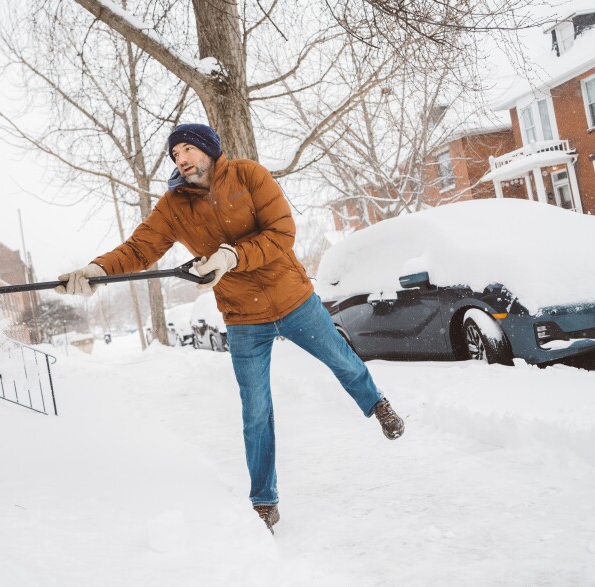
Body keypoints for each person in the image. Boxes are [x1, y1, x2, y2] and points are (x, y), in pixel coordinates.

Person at [55, 123, 404, 533]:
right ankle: (264, 501)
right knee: (255, 411)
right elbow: (139, 248)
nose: (181, 159)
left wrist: (230, 256)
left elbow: (282, 233)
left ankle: (375, 403)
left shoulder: (248, 175)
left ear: (208, 149)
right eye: (174, 155)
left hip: (292, 300)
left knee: (342, 361)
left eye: (187, 149)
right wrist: (97, 270)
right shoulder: (173, 206)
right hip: (243, 317)